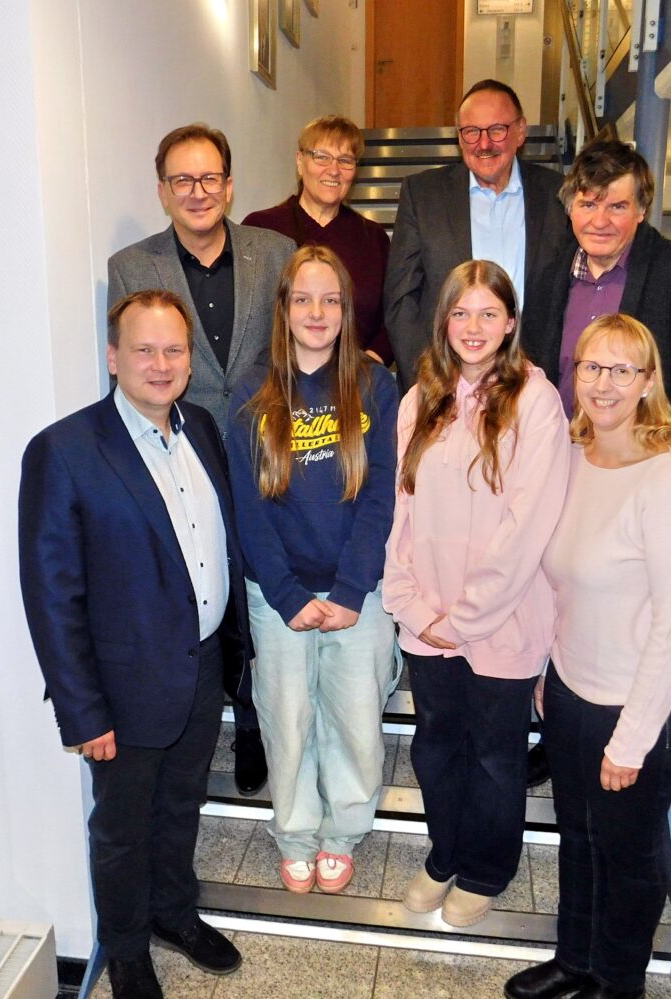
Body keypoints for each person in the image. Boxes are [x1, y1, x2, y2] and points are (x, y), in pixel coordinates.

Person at [19, 291, 251, 999]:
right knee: (121, 828)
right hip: (122, 688)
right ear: (113, 356)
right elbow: (52, 596)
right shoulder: (64, 450)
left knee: (183, 807)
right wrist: (84, 714)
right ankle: (125, 950)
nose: (160, 363)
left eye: (174, 350)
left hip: (203, 666)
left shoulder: (203, 428)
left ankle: (174, 913)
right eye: (144, 349)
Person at [505, 314, 671, 999]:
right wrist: (547, 669)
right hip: (573, 691)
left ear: (649, 382)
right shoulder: (573, 458)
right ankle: (575, 958)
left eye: (624, 369)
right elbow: (557, 582)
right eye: (593, 366)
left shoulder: (667, 479)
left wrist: (631, 738)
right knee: (577, 836)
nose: (605, 382)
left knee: (625, 857)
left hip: (643, 708)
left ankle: (617, 982)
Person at [523, 138, 671, 788]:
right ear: (571, 208)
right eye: (590, 203)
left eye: (618, 204)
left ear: (641, 209)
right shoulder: (555, 270)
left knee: (654, 614)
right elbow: (533, 372)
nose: (602, 218)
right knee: (563, 591)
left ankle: (652, 756)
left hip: (643, 472)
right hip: (571, 467)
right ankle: (563, 726)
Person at [383, 260, 570, 927]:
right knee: (436, 744)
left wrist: (461, 619)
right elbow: (400, 513)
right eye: (460, 313)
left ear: (511, 322)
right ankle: (446, 851)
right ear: (442, 323)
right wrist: (408, 602)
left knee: (494, 756)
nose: (473, 326)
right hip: (426, 621)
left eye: (488, 313)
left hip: (502, 623)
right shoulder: (418, 400)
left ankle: (487, 866)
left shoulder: (536, 402)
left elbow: (528, 528)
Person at [108, 123, 294, 795]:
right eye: (182, 180)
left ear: (230, 184)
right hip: (179, 458)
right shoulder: (132, 267)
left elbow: (296, 349)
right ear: (162, 191)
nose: (197, 192)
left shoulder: (276, 252)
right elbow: (130, 369)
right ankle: (211, 716)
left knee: (253, 597)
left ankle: (251, 723)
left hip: (261, 453)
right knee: (197, 593)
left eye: (209, 177)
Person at [226, 245, 400, 895]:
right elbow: (247, 506)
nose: (317, 311)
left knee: (356, 715)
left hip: (361, 589)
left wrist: (353, 587)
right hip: (279, 594)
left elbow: (382, 494)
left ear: (347, 310)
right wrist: (287, 592)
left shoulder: (377, 386)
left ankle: (344, 832)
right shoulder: (253, 391)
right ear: (284, 308)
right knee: (287, 714)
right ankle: (296, 830)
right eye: (303, 298)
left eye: (331, 299)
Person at [384, 80, 572, 392]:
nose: (483, 144)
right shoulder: (423, 194)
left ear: (521, 131)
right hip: (447, 384)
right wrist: (430, 378)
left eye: (497, 129)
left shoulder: (558, 194)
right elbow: (400, 298)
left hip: (532, 383)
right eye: (471, 131)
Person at [242, 115, 392, 366]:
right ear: (300, 162)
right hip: (277, 383)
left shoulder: (374, 239)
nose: (333, 170)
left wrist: (369, 368)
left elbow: (393, 316)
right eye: (321, 156)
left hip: (353, 385)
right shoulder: (259, 229)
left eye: (345, 160)